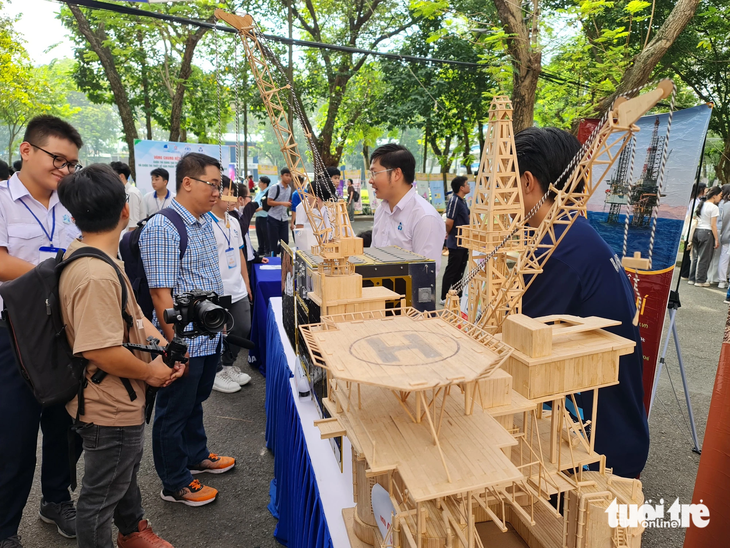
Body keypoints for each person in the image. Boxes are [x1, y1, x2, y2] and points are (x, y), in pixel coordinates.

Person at [57, 164, 183, 548]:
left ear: (74, 216)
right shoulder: (95, 274)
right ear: (126, 211)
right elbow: (102, 350)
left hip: (116, 396)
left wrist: (163, 347)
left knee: (121, 471)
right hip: (108, 402)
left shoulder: (97, 256)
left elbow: (135, 316)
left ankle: (131, 530)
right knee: (98, 498)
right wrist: (151, 374)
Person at [516, 126, 648, 478]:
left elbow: (516, 351)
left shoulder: (553, 253)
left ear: (528, 182)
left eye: (503, 182)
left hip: (590, 452)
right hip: (621, 429)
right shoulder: (575, 231)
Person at [0, 115, 84, 546]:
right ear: (27, 150)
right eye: (58, 158)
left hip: (64, 329)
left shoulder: (70, 204)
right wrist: (57, 275)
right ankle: (5, 528)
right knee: (13, 433)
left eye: (71, 163)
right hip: (14, 331)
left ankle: (56, 499)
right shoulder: (1, 200)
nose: (64, 169)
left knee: (64, 423)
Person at [139, 153, 235, 507]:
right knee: (173, 411)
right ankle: (175, 482)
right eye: (213, 184)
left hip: (208, 333)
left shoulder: (204, 221)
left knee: (196, 401)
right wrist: (174, 348)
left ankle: (197, 456)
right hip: (184, 340)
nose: (217, 192)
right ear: (188, 182)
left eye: (219, 185)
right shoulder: (164, 227)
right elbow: (160, 293)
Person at [370, 144, 445, 274]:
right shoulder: (381, 211)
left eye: (374, 173)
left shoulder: (424, 217)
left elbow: (424, 274)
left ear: (396, 174)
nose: (371, 180)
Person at [208, 176, 253, 394]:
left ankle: (228, 364)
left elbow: (240, 253)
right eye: (230, 192)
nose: (234, 198)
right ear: (216, 193)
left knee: (242, 327)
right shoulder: (206, 222)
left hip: (237, 286)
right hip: (216, 290)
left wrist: (246, 280)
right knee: (216, 332)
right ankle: (216, 372)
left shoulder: (233, 221)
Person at [440, 176, 471, 304]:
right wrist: (447, 235)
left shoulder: (463, 201)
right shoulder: (454, 201)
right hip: (456, 242)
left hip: (464, 242)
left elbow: (469, 216)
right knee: (452, 270)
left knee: (460, 271)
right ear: (461, 188)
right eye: (467, 184)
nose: (469, 186)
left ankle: (457, 295)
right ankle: (444, 296)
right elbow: (449, 222)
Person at [688, 185, 722, 287]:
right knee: (704, 258)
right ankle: (700, 280)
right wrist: (716, 239)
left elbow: (695, 217)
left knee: (695, 257)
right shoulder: (714, 208)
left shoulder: (701, 204)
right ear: (714, 196)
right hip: (707, 232)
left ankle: (692, 278)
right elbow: (713, 225)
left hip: (697, 231)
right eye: (720, 195)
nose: (720, 198)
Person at [680, 182, 706, 280]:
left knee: (687, 250)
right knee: (689, 249)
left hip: (688, 226)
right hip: (692, 226)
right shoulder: (696, 201)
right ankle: (685, 272)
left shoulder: (692, 200)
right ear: (701, 190)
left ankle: (685, 272)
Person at [111, 162, 145, 231]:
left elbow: (133, 224)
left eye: (112, 176)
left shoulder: (131, 193)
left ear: (121, 177)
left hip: (129, 238)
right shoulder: (122, 192)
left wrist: (127, 241)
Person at [266, 167, 292, 256]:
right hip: (273, 217)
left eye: (290, 176)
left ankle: (282, 261)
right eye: (286, 175)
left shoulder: (289, 188)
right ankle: (273, 258)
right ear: (281, 176)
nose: (288, 178)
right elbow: (269, 202)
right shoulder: (275, 187)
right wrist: (282, 203)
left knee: (285, 242)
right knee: (273, 242)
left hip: (284, 218)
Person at [717, 185, 730, 290]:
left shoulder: (725, 205)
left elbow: (722, 221)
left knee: (724, 258)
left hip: (726, 234)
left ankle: (722, 281)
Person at [253, 176, 271, 256]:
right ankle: (261, 249)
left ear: (265, 184)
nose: (258, 184)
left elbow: (268, 205)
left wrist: (259, 209)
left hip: (265, 216)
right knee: (259, 234)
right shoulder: (259, 192)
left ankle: (268, 250)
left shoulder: (269, 192)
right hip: (258, 216)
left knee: (266, 235)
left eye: (260, 182)